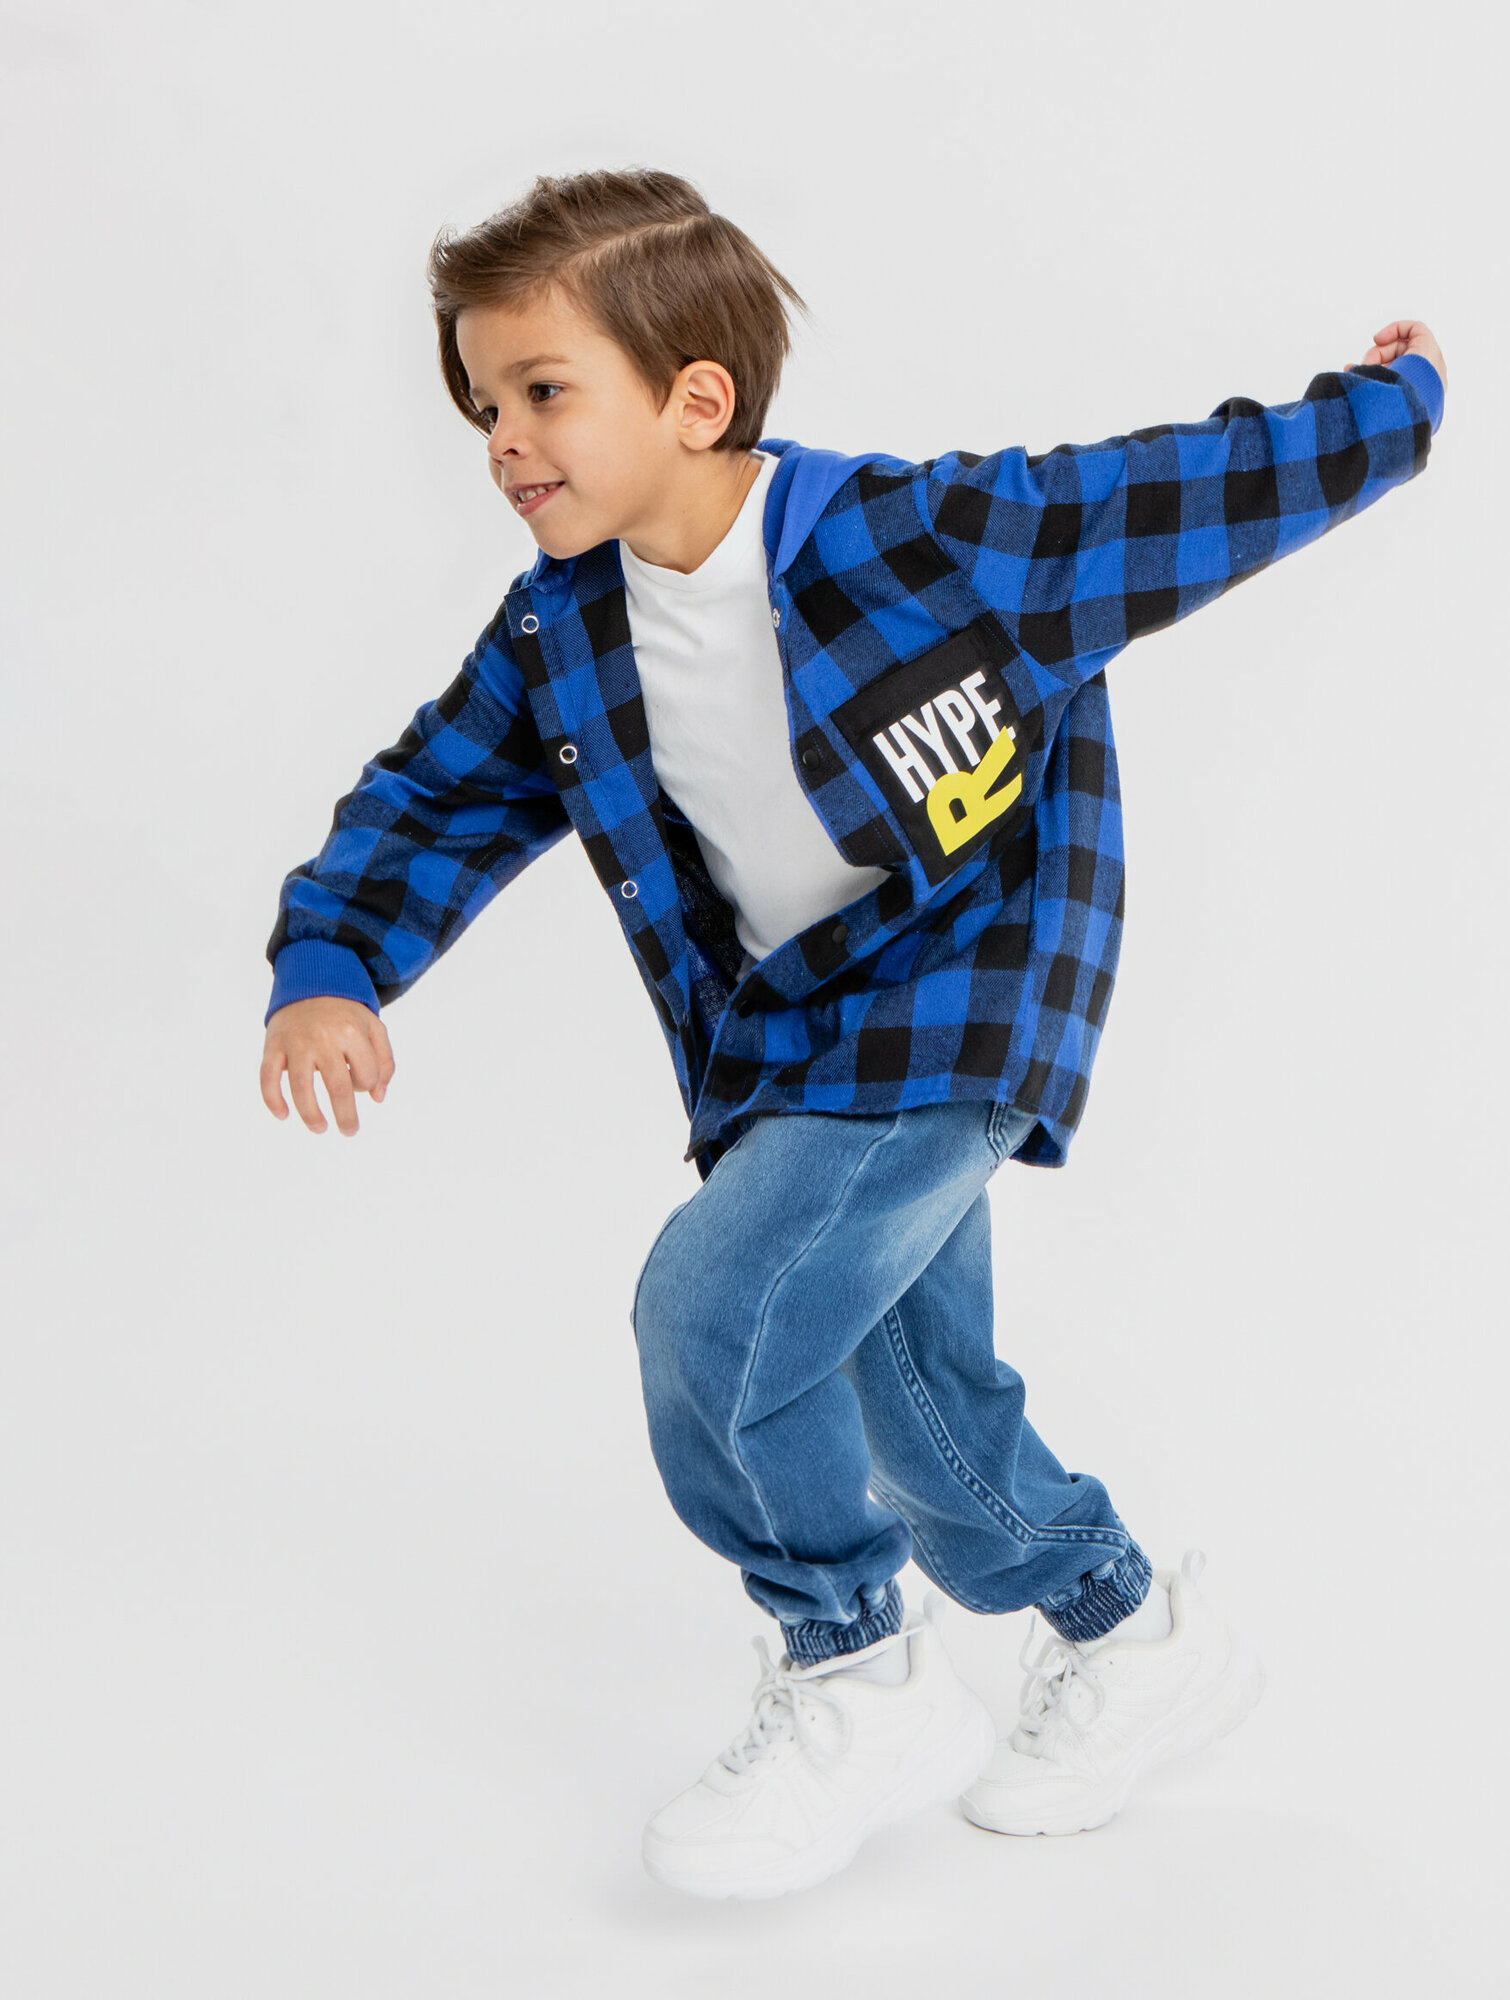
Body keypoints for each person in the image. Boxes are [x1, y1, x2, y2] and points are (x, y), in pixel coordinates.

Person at [259, 167, 1446, 1901]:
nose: (502, 442)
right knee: (912, 1393)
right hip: (791, 1038)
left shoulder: (929, 542)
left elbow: (1182, 493)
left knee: (716, 1311)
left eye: (540, 392)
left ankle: (853, 1666)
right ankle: (1130, 1635)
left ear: (696, 400)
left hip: (964, 994)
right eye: (482, 407)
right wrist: (332, 962)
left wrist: (1393, 405)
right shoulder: (559, 634)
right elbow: (432, 799)